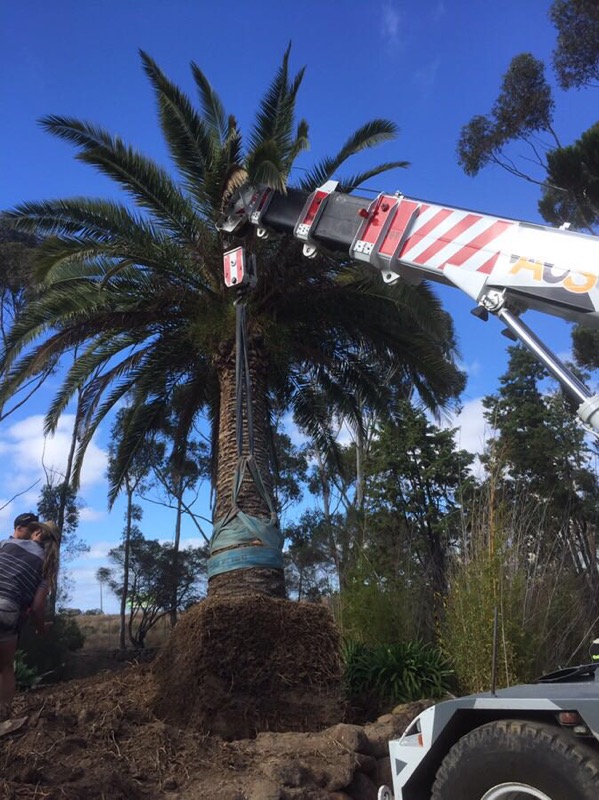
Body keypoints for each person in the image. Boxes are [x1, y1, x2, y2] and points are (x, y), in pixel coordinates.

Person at [0, 519, 61, 727]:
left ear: (37, 533)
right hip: (7, 611)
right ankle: (3, 719)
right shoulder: (46, 564)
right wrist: (41, 628)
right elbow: (37, 607)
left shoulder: (6, 544)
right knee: (5, 668)